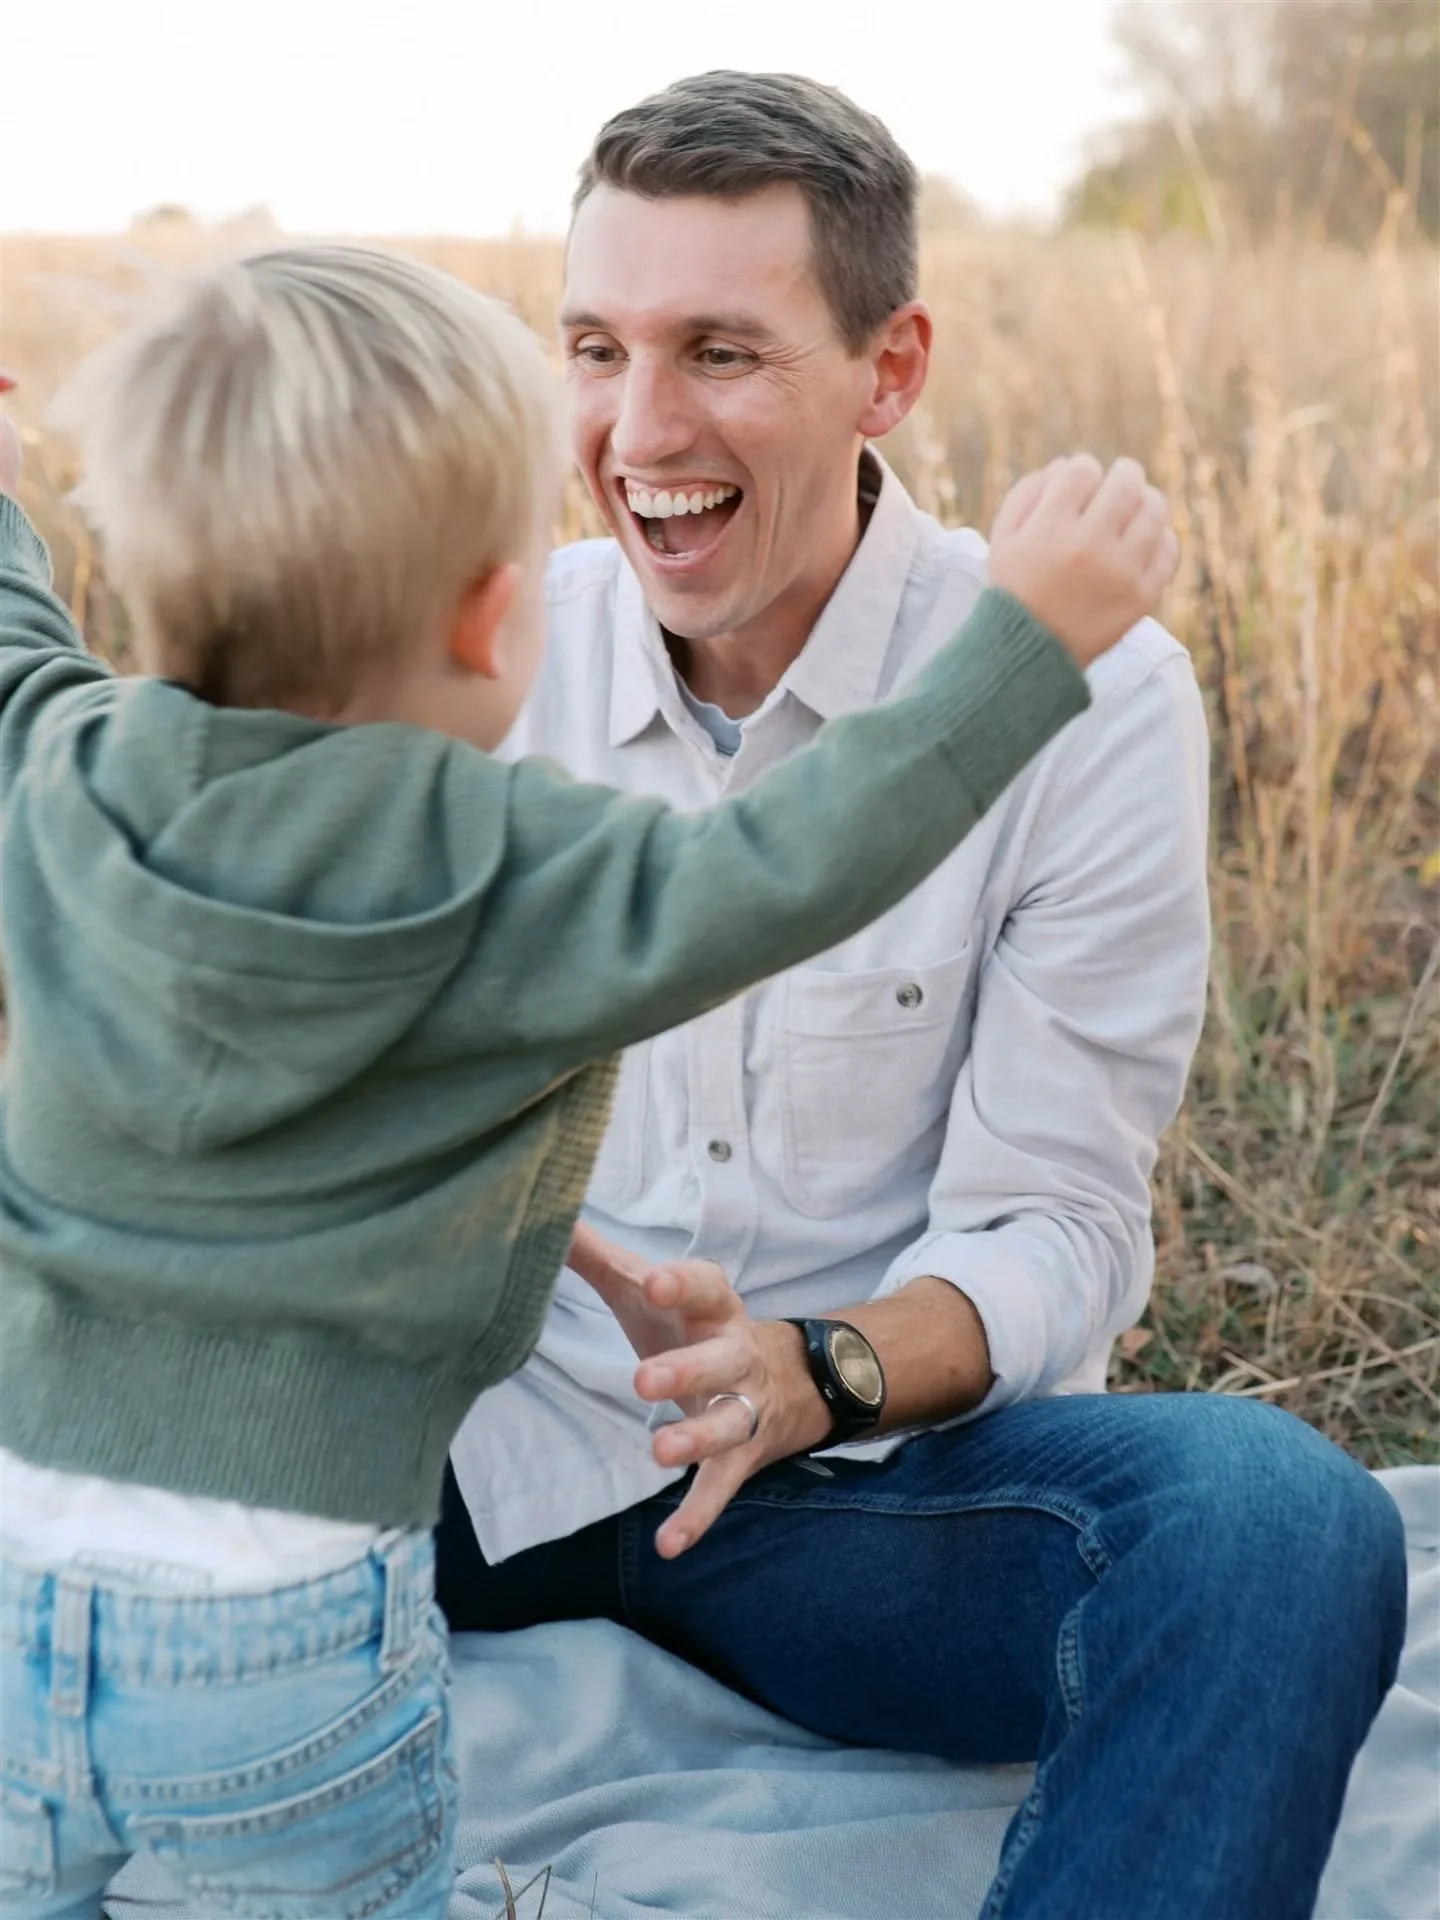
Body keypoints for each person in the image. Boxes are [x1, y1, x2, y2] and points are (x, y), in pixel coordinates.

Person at [0, 249, 1167, 1916]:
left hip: (18, 1594)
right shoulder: (495, 865)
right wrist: (1025, 643)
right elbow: (789, 863)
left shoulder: (59, 765)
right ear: (491, 617)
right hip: (278, 1635)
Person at [435, 71, 1409, 1920]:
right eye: (595, 347)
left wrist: (820, 1374)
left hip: (854, 1500)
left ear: (892, 372)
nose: (641, 428)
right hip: (483, 1450)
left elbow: (1057, 1218)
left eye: (721, 351)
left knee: (1277, 1527)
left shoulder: (1094, 695)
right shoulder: (488, 651)